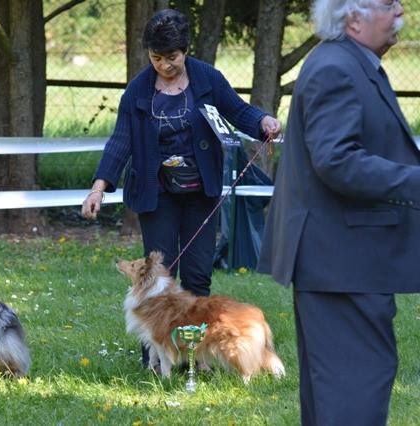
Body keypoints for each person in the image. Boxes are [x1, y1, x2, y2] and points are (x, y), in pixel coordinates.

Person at [81, 9, 280, 365]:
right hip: (155, 195)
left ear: (185, 50)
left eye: (171, 57)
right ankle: (153, 358)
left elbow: (237, 110)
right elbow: (120, 141)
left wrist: (263, 120)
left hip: (199, 193)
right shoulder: (138, 91)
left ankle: (193, 357)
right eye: (156, 58)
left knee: (198, 274)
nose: (164, 65)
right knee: (156, 278)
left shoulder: (207, 79)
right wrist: (98, 187)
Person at [258, 0, 412, 424]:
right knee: (353, 396)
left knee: (344, 393)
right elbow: (337, 161)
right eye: (387, 3)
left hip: (345, 261)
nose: (399, 9)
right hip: (340, 262)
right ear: (354, 17)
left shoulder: (347, 62)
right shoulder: (335, 68)